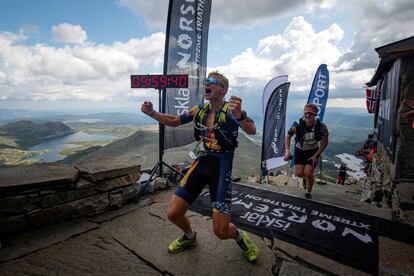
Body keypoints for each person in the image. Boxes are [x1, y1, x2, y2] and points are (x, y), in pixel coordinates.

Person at [140, 71, 259, 262]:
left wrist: (240, 116)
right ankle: (189, 236)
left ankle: (240, 237)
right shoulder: (200, 109)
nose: (207, 84)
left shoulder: (231, 112)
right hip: (202, 162)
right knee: (173, 213)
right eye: (206, 82)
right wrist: (152, 113)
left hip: (221, 168)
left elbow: (252, 130)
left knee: (221, 231)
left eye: (212, 82)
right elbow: (175, 121)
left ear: (223, 90)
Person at [283, 104, 329, 199]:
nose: (307, 115)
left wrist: (317, 155)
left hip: (313, 151)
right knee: (299, 173)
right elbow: (288, 136)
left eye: (310, 113)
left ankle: (308, 191)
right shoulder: (297, 124)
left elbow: (325, 142)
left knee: (308, 172)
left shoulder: (321, 126)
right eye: (305, 112)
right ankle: (305, 179)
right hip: (300, 150)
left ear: (315, 114)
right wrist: (287, 151)